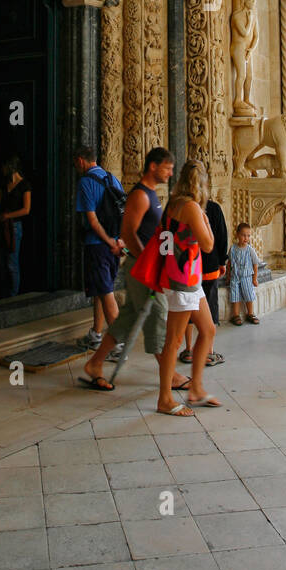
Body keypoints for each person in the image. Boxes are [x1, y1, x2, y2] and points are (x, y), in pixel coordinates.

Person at [80, 147, 186, 392]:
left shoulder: (152, 194)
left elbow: (153, 233)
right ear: (153, 166)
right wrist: (145, 261)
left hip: (145, 267)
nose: (170, 173)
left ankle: (95, 364)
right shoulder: (140, 196)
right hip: (142, 271)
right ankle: (169, 375)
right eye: (167, 168)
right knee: (157, 317)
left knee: (127, 319)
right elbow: (128, 232)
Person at [158, 160, 220, 415]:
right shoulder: (192, 208)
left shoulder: (172, 204)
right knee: (173, 341)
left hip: (185, 278)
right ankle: (164, 399)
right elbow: (208, 245)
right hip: (183, 280)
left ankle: (196, 389)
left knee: (208, 329)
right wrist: (205, 219)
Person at [74, 147, 123, 349]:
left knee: (106, 291)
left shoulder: (85, 182)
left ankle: (119, 344)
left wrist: (107, 241)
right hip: (115, 245)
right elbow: (124, 211)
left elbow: (92, 221)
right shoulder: (113, 179)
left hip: (98, 246)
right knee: (100, 291)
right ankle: (96, 333)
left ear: (80, 161)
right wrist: (119, 241)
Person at [181, 187, 227, 366]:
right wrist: (222, 261)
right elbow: (222, 236)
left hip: (189, 268)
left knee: (188, 308)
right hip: (208, 266)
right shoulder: (213, 209)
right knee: (210, 307)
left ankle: (188, 349)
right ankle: (209, 352)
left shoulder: (181, 210)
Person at [0, 156, 31, 298]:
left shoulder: (24, 185)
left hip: (14, 225)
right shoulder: (4, 184)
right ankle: (4, 292)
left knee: (12, 262)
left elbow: (26, 209)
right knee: (1, 261)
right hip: (3, 225)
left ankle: (13, 294)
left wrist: (8, 216)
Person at [228, 222, 261, 324]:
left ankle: (250, 313)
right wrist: (228, 276)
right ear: (237, 234)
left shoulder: (250, 250)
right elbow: (229, 263)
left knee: (248, 295)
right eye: (243, 235)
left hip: (246, 277)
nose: (246, 238)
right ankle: (236, 315)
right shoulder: (233, 249)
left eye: (248, 235)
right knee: (235, 295)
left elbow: (255, 264)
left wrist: (254, 279)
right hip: (235, 277)